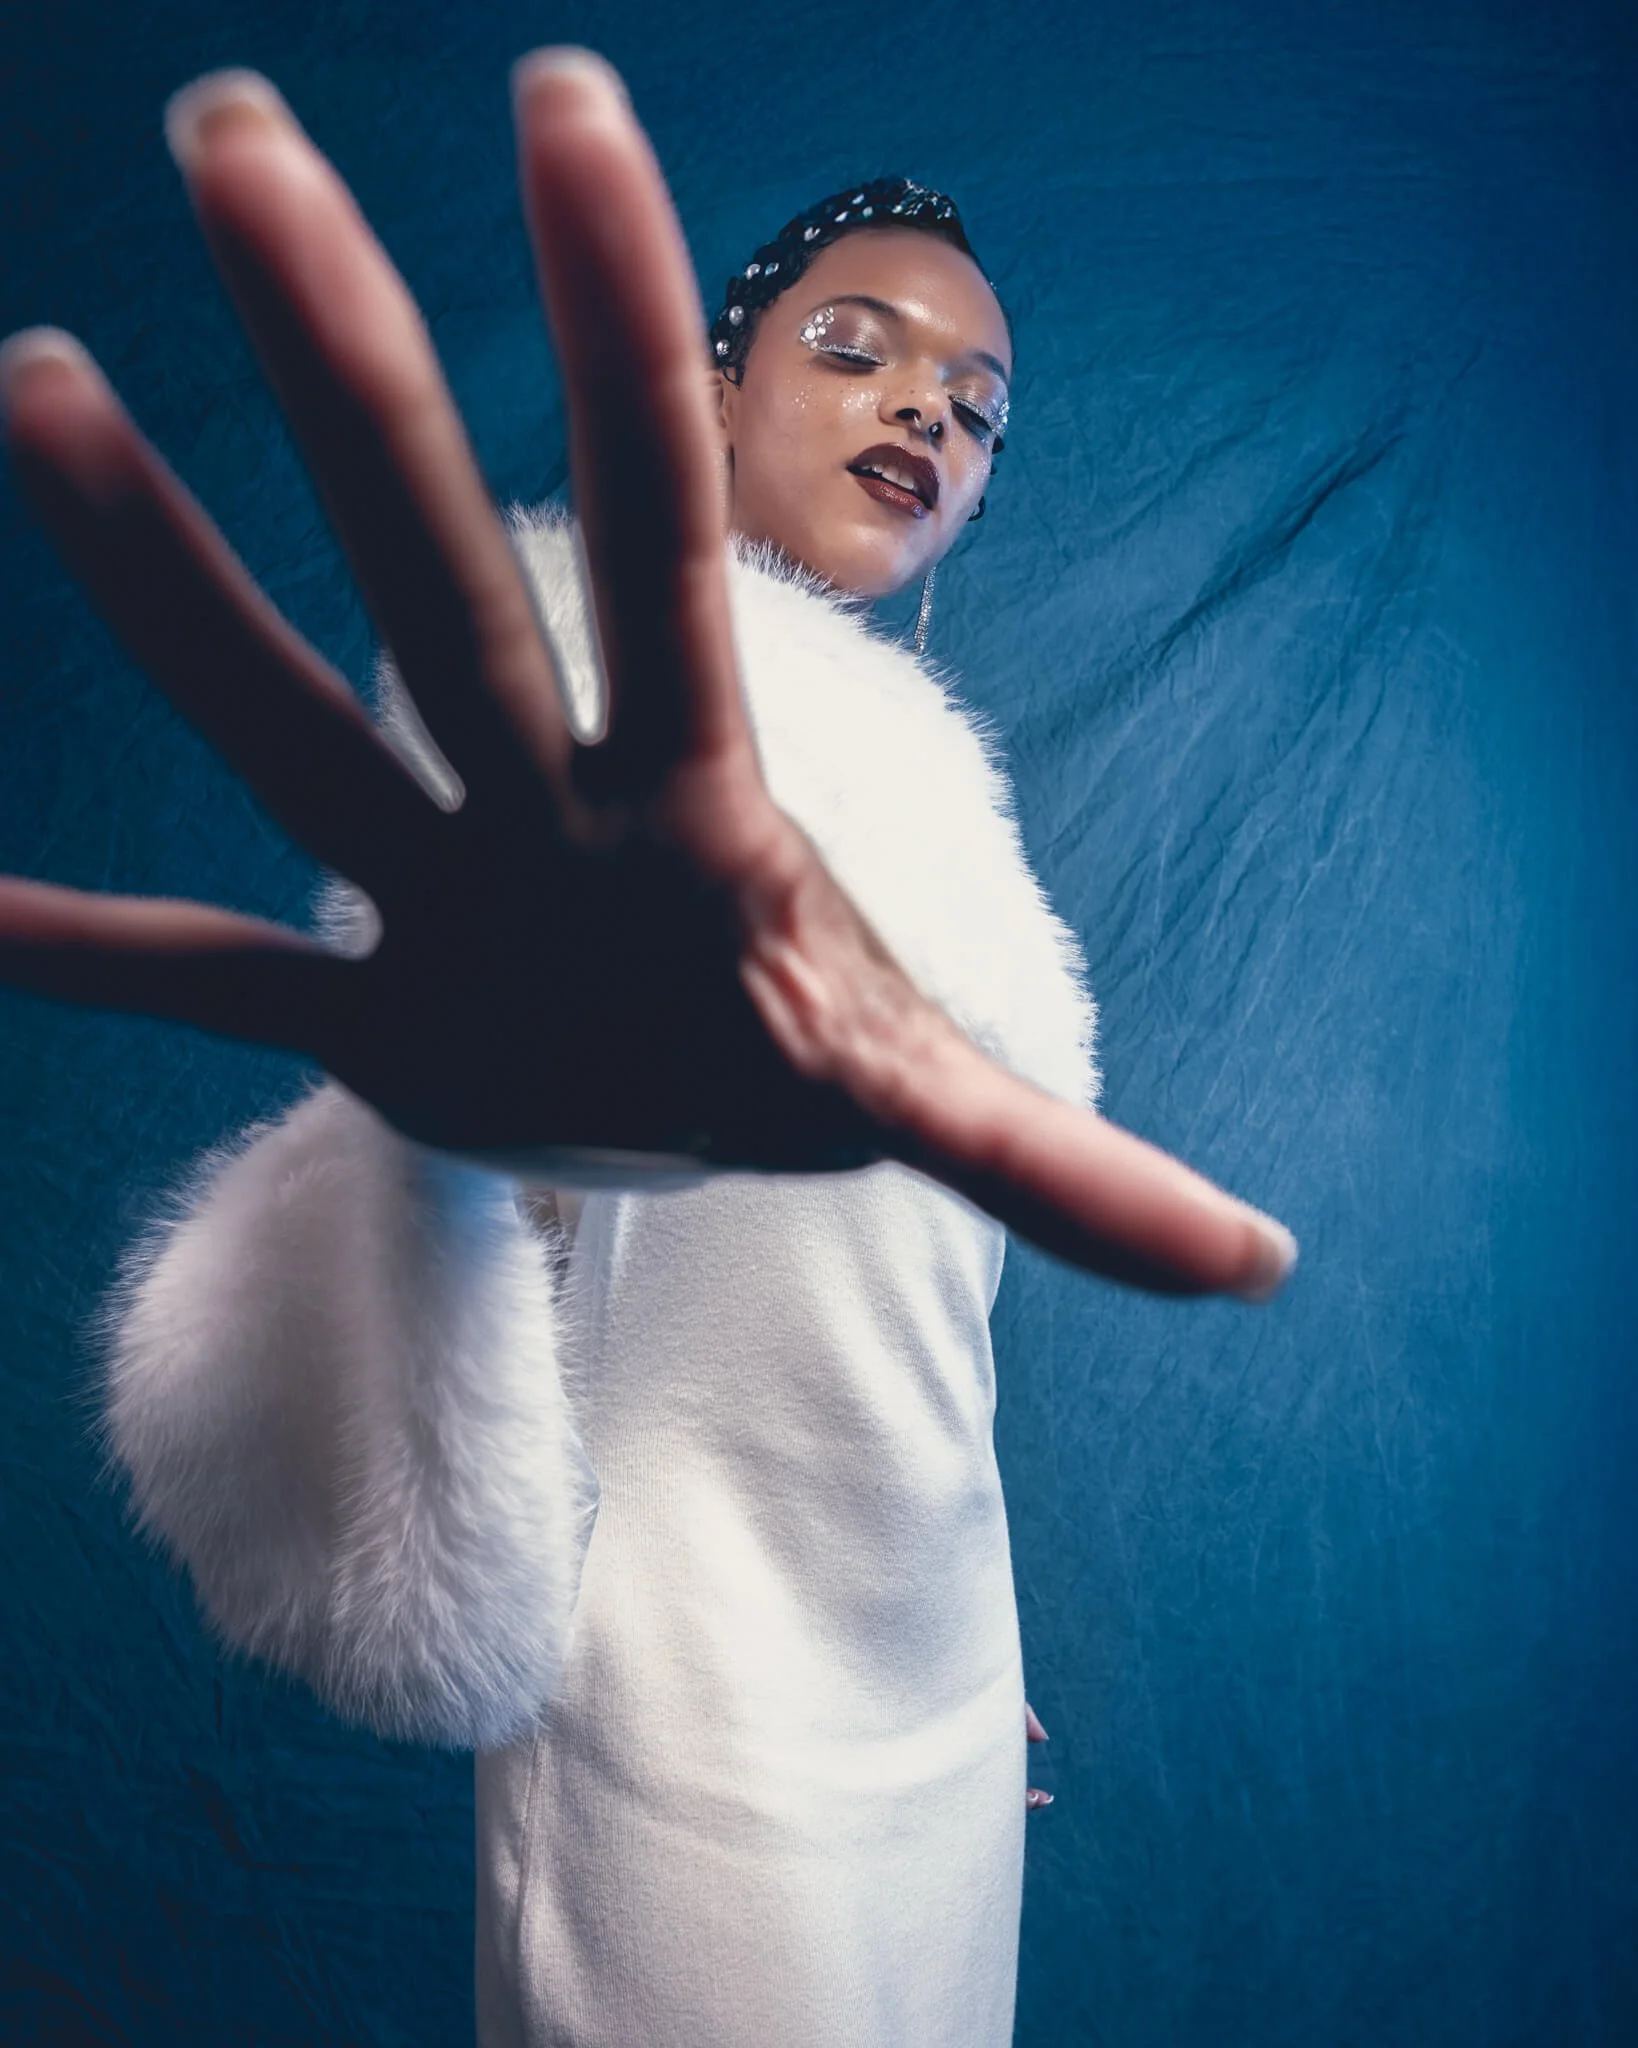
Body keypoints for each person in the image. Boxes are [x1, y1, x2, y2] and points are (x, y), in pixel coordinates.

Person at [0, 49, 1297, 2047]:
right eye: (859, 350)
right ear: (708, 392)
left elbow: (894, 1310)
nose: (928, 415)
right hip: (695, 1705)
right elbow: (487, 1172)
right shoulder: (573, 730)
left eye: (977, 406)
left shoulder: (948, 813)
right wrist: (422, 1164)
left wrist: (960, 1619)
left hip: (938, 1696)